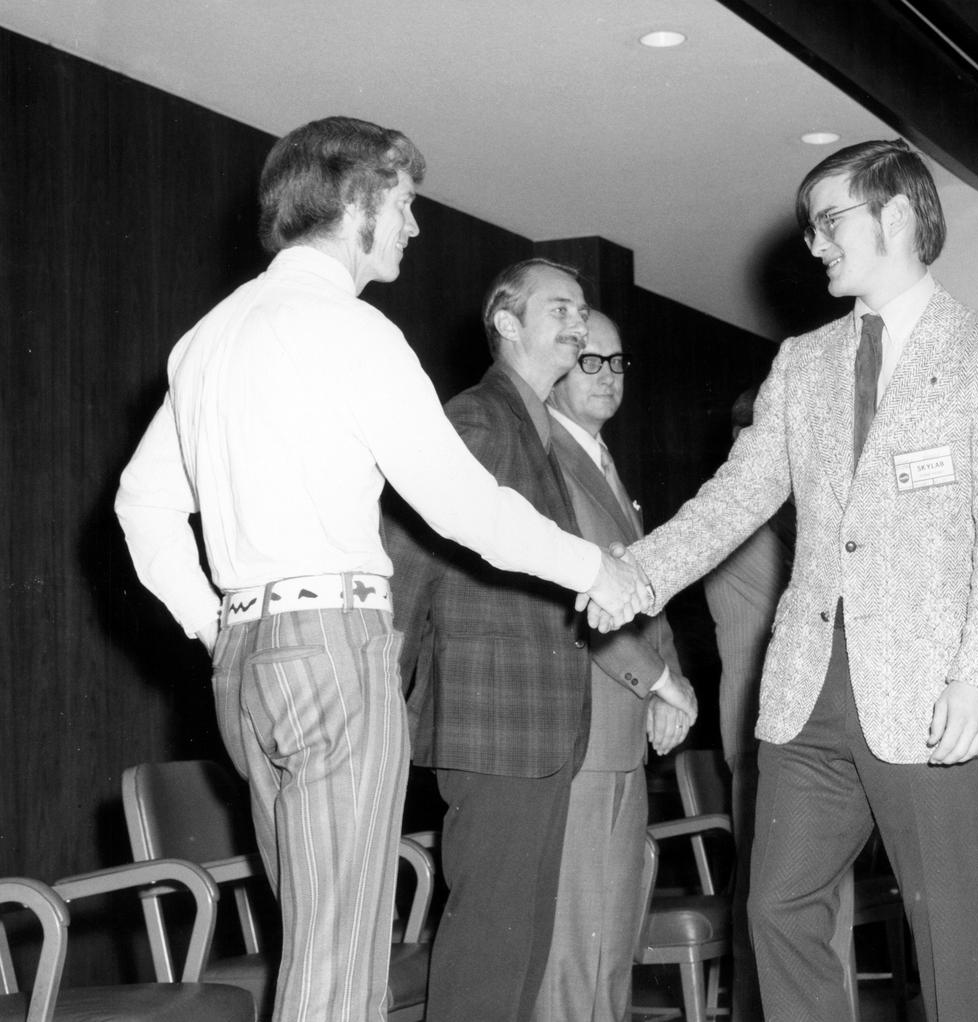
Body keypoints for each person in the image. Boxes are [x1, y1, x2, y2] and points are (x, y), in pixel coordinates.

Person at [114, 118, 645, 1022]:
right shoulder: (351, 330)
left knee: (318, 935)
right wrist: (593, 566)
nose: (413, 225)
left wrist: (215, 623)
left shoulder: (208, 337)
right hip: (332, 649)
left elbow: (141, 503)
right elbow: (461, 505)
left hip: (246, 657)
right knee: (340, 956)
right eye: (402, 203)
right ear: (356, 203)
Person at [620, 138, 978, 1021]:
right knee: (776, 906)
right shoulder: (804, 362)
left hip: (930, 693)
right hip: (805, 692)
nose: (814, 244)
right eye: (811, 228)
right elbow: (734, 498)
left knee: (950, 934)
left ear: (896, 215)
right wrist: (636, 574)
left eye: (829, 223)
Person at [392, 259, 696, 1022]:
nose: (576, 322)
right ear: (506, 323)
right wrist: (381, 687)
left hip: (535, 724)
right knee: (494, 947)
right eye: (559, 309)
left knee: (520, 949)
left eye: (582, 309)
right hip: (495, 720)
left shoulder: (526, 425)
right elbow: (408, 559)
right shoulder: (481, 418)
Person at [529, 310, 696, 1021]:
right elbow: (571, 599)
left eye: (617, 362)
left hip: (622, 733)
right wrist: (660, 681)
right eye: (588, 360)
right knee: (573, 950)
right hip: (580, 732)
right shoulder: (546, 460)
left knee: (611, 941)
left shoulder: (601, 460)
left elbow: (643, 592)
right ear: (557, 366)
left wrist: (670, 681)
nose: (607, 377)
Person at [702, 387, 795, 1022]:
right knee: (773, 897)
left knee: (794, 898)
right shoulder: (734, 513)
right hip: (762, 733)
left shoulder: (768, 513)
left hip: (788, 729)